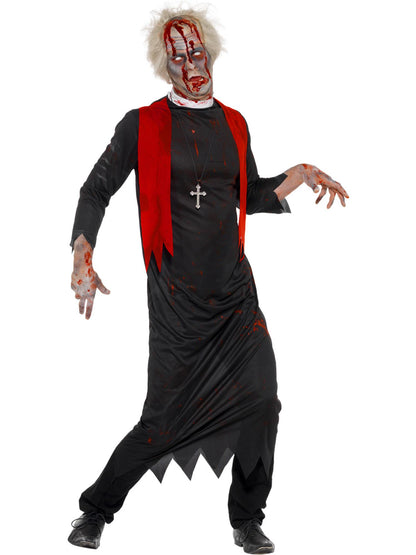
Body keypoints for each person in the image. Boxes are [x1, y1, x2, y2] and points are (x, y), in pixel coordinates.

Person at [67, 7, 349, 553]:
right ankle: (96, 509)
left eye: (196, 52)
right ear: (165, 66)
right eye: (178, 57)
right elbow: (95, 190)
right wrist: (82, 252)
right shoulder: (141, 125)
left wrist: (300, 173)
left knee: (262, 403)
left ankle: (247, 517)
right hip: (176, 302)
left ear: (210, 53)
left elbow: (249, 194)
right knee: (161, 423)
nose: (191, 63)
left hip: (235, 298)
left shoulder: (235, 123)